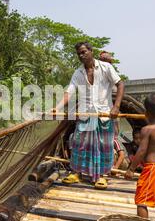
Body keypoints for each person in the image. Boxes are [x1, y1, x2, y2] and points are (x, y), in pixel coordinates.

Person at [52, 42, 124, 189]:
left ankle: (102, 176)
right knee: (79, 144)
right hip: (85, 114)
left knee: (104, 145)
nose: (81, 55)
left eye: (84, 51)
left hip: (103, 114)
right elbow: (69, 92)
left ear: (91, 51)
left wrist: (116, 107)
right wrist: (57, 107)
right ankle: (76, 172)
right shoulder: (78, 73)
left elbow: (120, 84)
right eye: (79, 53)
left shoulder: (106, 68)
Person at [124, 93, 155, 221]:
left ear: (146, 113)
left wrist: (131, 169)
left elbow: (141, 151)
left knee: (142, 201)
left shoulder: (147, 130)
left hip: (152, 169)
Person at [98, 51, 128, 172]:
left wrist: (116, 106)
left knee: (113, 134)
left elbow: (119, 88)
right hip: (97, 113)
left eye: (107, 61)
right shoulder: (96, 74)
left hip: (110, 112)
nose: (105, 63)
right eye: (102, 60)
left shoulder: (112, 75)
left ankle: (111, 166)